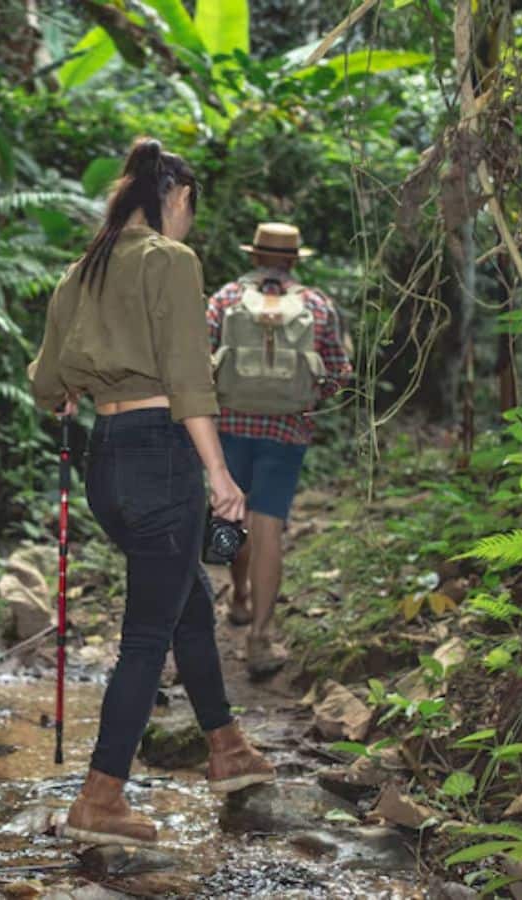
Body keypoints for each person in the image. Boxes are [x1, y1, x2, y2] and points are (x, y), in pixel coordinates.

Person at [28, 138, 276, 847]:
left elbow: (46, 384)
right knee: (146, 633)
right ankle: (101, 795)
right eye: (190, 211)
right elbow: (188, 378)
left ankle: (226, 747)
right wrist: (221, 476)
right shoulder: (170, 261)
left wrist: (79, 384)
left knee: (186, 604)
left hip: (104, 464)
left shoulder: (82, 271)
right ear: (176, 198)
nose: (189, 225)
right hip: (163, 460)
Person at [207, 222, 352, 681]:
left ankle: (239, 596)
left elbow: (198, 359)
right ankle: (261, 637)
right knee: (267, 526)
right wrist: (309, 398)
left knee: (233, 514)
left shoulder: (225, 300)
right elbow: (337, 373)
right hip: (286, 432)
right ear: (293, 261)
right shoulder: (316, 305)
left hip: (229, 427)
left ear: (254, 257)